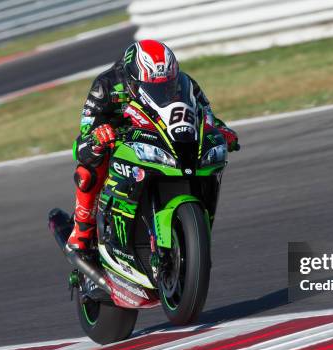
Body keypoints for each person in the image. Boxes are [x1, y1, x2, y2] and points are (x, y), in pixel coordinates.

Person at [67, 39, 239, 251]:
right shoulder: (106, 85)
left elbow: (204, 116)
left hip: (160, 137)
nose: (163, 90)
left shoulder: (185, 83)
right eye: (153, 87)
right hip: (119, 138)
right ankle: (82, 229)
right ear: (133, 80)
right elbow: (87, 128)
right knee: (89, 163)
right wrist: (99, 135)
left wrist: (221, 130)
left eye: (166, 85)